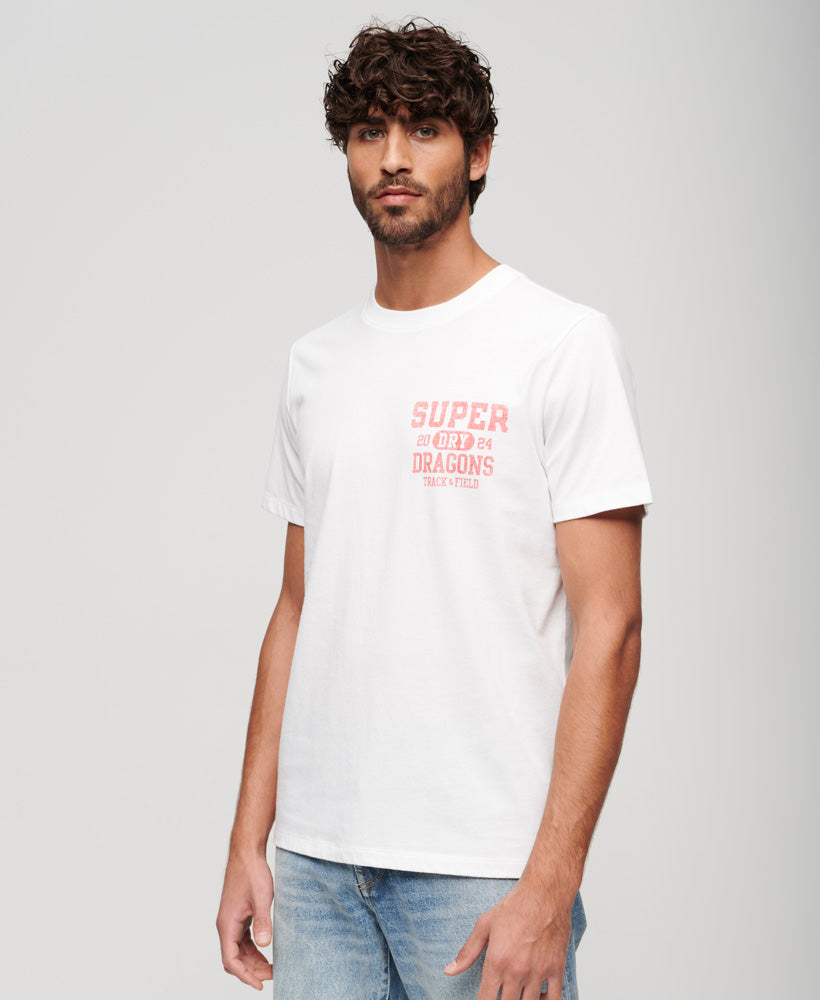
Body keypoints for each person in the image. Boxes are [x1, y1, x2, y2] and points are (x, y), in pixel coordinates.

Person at [216, 18, 652, 1000]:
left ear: (478, 153)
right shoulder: (316, 365)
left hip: (482, 866)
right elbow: (296, 609)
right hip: (318, 868)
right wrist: (251, 840)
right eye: (368, 132)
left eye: (423, 129)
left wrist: (551, 879)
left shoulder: (560, 345)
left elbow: (613, 627)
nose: (393, 158)